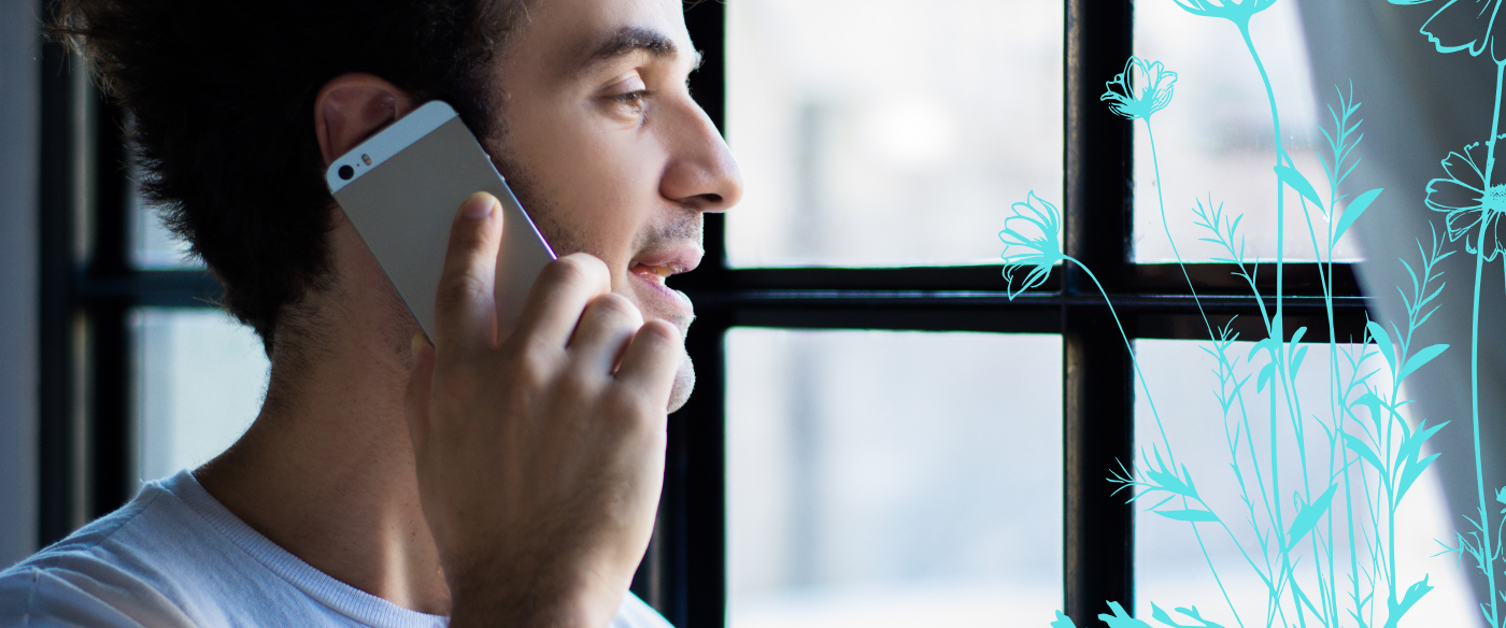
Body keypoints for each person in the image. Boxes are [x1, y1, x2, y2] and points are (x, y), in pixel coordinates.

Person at [0, 0, 742, 625]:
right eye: (629, 92)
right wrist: (538, 597)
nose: (721, 175)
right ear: (380, 142)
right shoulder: (76, 614)